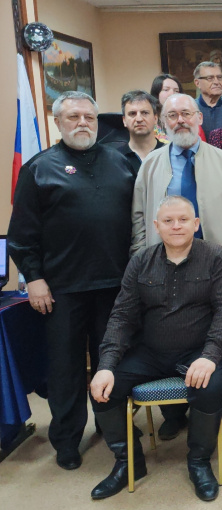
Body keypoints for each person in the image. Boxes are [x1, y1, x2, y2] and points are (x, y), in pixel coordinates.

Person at [8, 91, 136, 470]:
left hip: (114, 285)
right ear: (58, 122)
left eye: (89, 117)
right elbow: (22, 234)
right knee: (65, 369)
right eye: (73, 117)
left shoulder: (121, 161)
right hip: (62, 288)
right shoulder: (38, 168)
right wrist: (34, 278)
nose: (82, 123)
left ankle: (112, 427)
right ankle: (66, 440)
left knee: (111, 361)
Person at [89, 196, 222, 501]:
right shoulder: (141, 261)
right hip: (150, 353)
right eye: (168, 221)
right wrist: (105, 365)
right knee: (103, 388)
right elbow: (121, 316)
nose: (176, 226)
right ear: (157, 227)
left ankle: (199, 461)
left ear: (196, 224)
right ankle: (128, 462)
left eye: (183, 219)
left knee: (209, 388)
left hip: (200, 351)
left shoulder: (215, 256)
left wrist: (210, 356)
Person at [132, 93, 222, 439]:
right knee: (164, 334)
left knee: (217, 331)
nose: (181, 120)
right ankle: (173, 414)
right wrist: (139, 260)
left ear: (199, 118)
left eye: (187, 113)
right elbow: (139, 217)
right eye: (172, 115)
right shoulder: (150, 164)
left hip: (214, 266)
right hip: (163, 267)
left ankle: (217, 406)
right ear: (163, 122)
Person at [119, 90, 164, 172]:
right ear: (124, 120)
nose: (139, 119)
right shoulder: (116, 158)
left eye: (145, 113)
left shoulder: (169, 154)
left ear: (155, 118)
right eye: (132, 113)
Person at [194, 61, 222, 139]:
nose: (216, 82)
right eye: (210, 78)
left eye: (219, 77)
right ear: (197, 83)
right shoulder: (191, 109)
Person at [150, 73, 183, 142]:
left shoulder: (185, 117)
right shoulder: (150, 118)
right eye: (166, 90)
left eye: (176, 91)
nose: (172, 94)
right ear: (157, 93)